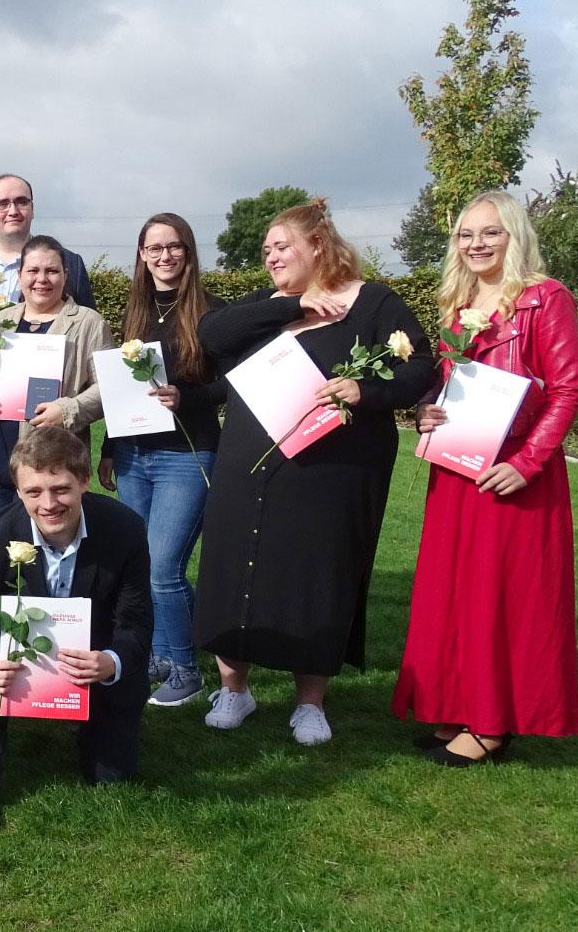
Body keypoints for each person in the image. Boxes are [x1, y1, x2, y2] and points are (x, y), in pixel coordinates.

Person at [193, 199, 432, 746]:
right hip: (248, 464)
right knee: (236, 569)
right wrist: (294, 304)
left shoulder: (373, 303)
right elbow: (211, 334)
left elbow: (419, 366)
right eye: (267, 250)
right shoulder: (268, 304)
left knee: (317, 574)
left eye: (282, 246)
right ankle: (234, 688)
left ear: (318, 246)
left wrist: (367, 390)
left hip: (331, 471)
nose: (271, 257)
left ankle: (310, 702)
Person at [393, 191, 578, 766]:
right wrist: (427, 407)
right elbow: (452, 386)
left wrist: (526, 464)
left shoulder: (544, 299)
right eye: (465, 235)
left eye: (490, 233)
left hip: (512, 475)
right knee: (455, 594)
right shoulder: (459, 302)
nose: (476, 244)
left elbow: (569, 390)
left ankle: (492, 726)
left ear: (515, 236)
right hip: (460, 469)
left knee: (502, 599)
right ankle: (460, 706)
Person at [0, 426, 152, 829]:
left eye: (60, 489)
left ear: (84, 481)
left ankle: (91, 722)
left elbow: (138, 621)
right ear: (18, 491)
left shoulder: (124, 529)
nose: (48, 503)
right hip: (19, 646)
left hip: (94, 650)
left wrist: (110, 662)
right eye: (34, 492)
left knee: (112, 776)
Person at [96, 214, 227, 707]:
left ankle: (187, 672)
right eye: (154, 248)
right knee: (139, 563)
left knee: (164, 568)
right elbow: (121, 391)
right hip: (134, 455)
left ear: (189, 253)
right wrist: (110, 447)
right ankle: (159, 653)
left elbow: (231, 383)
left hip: (186, 455)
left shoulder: (213, 314)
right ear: (142, 255)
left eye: (174, 247)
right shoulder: (134, 313)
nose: (164, 256)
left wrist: (187, 398)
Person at [0, 235, 112, 516]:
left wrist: (68, 409)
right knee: (0, 548)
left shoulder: (88, 322)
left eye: (52, 271)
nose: (41, 279)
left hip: (52, 466)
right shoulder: (0, 321)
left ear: (65, 276)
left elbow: (108, 388)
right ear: (20, 275)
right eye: (33, 271)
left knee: (43, 547)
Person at [0, 173, 95, 309]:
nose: (13, 211)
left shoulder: (70, 262)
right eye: (2, 204)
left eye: (21, 202)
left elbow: (88, 326)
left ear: (32, 209)